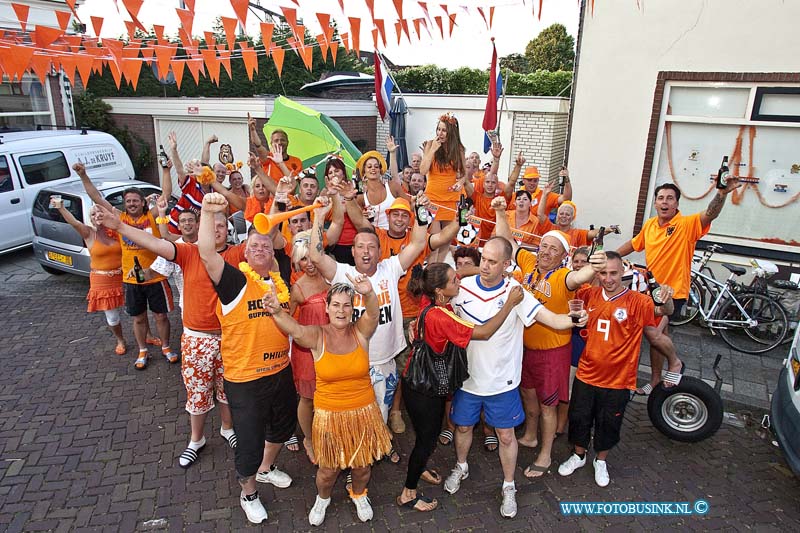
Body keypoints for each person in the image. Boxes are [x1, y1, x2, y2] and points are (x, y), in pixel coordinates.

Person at [93, 199, 247, 470]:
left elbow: (267, 237)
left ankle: (227, 428)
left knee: (227, 390)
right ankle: (196, 440)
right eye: (213, 225)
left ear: (228, 231)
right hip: (197, 338)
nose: (218, 230)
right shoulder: (188, 252)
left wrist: (279, 202)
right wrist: (119, 226)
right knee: (197, 392)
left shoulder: (237, 254)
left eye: (223, 226)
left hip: (230, 338)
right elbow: (153, 243)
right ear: (203, 229)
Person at [443, 236, 587, 518]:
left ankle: (509, 485)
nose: (485, 266)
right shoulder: (461, 287)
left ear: (507, 265)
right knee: (462, 428)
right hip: (468, 379)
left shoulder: (517, 292)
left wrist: (574, 320)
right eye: (483, 259)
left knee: (506, 436)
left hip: (502, 382)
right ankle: (461, 466)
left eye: (492, 261)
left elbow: (553, 320)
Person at [309, 195, 430, 463]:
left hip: (385, 359)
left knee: (382, 412)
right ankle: (354, 456)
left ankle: (376, 448)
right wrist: (319, 217)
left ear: (379, 251)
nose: (366, 251)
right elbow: (315, 254)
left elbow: (419, 242)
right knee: (352, 415)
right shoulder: (342, 274)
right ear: (352, 252)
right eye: (360, 246)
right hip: (354, 363)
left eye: (371, 247)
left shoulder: (391, 267)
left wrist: (421, 210)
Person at [196, 192, 294, 524]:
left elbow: (278, 235)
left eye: (266, 246)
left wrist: (278, 203)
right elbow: (207, 252)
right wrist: (208, 213)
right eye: (254, 246)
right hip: (246, 378)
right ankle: (248, 492)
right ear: (244, 252)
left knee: (282, 427)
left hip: (281, 370)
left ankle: (267, 469)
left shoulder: (280, 282)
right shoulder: (235, 281)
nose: (261, 250)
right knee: (249, 440)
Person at [397, 262, 524, 513]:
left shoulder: (430, 300)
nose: (460, 282)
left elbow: (460, 273)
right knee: (426, 440)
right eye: (454, 281)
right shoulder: (441, 316)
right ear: (441, 290)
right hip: (425, 390)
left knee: (425, 436)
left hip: (415, 381)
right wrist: (510, 302)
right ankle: (408, 492)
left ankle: (420, 468)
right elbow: (486, 331)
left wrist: (485, 271)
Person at [264, 278, 392, 526]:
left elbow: (374, 315)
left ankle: (359, 494)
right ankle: (322, 499)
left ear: (352, 308)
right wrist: (277, 311)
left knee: (363, 467)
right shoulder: (317, 335)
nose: (341, 311)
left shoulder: (360, 331)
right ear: (327, 307)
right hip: (329, 415)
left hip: (364, 412)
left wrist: (369, 294)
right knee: (328, 471)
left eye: (346, 305)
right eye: (336, 305)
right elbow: (295, 330)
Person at [494, 199, 606, 478]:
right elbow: (509, 241)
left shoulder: (564, 277)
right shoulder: (530, 263)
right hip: (525, 349)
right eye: (543, 245)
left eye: (552, 249)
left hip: (553, 352)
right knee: (528, 396)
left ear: (562, 255)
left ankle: (545, 455)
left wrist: (597, 263)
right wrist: (498, 211)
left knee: (548, 405)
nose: (545, 251)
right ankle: (530, 436)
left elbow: (583, 275)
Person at [343, 194, 461, 435]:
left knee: (399, 368)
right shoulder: (378, 238)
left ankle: (394, 411)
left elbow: (442, 237)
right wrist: (346, 199)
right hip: (380, 314)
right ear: (388, 217)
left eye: (404, 215)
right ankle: (366, 419)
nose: (399, 218)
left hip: (412, 314)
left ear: (409, 219)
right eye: (395, 213)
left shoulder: (417, 237)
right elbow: (358, 223)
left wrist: (457, 218)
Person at [558, 251, 675, 487]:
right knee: (579, 418)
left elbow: (664, 311)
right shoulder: (588, 295)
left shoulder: (637, 301)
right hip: (586, 373)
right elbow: (567, 295)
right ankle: (578, 455)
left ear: (623, 273)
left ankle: (600, 461)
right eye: (603, 273)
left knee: (609, 423)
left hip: (618, 380)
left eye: (613, 273)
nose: (608, 279)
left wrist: (667, 297)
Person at [617, 180, 739, 393]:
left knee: (653, 332)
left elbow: (710, 213)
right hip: (652, 291)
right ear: (655, 203)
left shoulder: (686, 224)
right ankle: (655, 379)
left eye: (669, 198)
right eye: (661, 198)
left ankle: (675, 362)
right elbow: (634, 244)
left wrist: (721, 193)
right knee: (660, 336)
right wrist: (612, 257)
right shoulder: (650, 225)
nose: (665, 202)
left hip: (673, 292)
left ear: (676, 203)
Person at [76, 163, 176, 369]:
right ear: (124, 204)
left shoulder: (152, 216)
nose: (131, 204)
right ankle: (142, 350)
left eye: (135, 201)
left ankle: (166, 346)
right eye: (128, 201)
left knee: (161, 316)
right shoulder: (119, 218)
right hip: (131, 278)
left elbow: (166, 193)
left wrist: (165, 170)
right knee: (138, 318)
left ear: (142, 202)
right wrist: (83, 175)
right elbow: (96, 197)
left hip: (156, 276)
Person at [51, 197, 126, 355]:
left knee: (135, 309)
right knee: (112, 316)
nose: (97, 215)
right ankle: (120, 339)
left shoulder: (117, 230)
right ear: (90, 218)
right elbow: (74, 223)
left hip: (124, 275)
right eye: (93, 214)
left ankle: (146, 335)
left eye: (100, 211)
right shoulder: (89, 233)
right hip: (102, 281)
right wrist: (61, 208)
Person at [286, 230, 330, 464]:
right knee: (307, 398)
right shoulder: (298, 289)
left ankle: (327, 434)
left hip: (332, 346)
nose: (309, 263)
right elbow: (287, 318)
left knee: (329, 395)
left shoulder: (331, 277)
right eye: (303, 259)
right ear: (297, 262)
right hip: (307, 351)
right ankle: (309, 439)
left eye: (311, 256)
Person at [419, 113, 466, 262]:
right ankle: (432, 270)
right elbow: (422, 170)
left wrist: (460, 183)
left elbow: (464, 174)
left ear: (451, 132)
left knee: (446, 240)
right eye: (438, 129)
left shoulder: (458, 149)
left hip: (451, 199)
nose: (440, 133)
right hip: (432, 199)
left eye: (444, 130)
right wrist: (432, 149)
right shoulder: (430, 144)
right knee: (435, 241)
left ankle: (437, 269)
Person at [536, 181, 615, 248]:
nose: (564, 216)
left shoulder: (577, 234)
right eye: (561, 213)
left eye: (567, 214)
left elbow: (593, 233)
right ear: (557, 216)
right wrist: (545, 194)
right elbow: (540, 214)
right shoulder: (550, 228)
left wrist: (608, 229)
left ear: (572, 218)